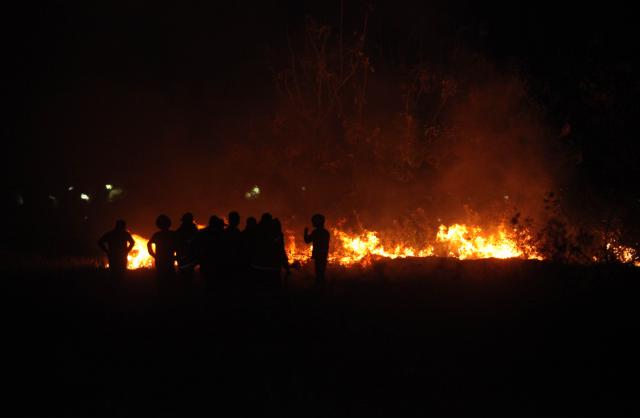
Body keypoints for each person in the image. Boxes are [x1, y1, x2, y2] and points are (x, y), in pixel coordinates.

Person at [147, 214, 176, 279]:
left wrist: (153, 255)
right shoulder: (172, 234)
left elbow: (149, 244)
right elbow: (178, 245)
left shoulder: (157, 235)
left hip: (160, 259)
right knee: (170, 277)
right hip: (169, 258)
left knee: (161, 277)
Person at [304, 214, 330, 283]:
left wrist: (305, 232)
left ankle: (320, 288)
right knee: (321, 273)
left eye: (314, 221)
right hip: (324, 255)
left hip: (318, 255)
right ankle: (321, 287)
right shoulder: (326, 232)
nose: (312, 223)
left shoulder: (316, 232)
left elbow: (307, 241)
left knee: (319, 273)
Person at [175, 212, 199, 280]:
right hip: (189, 255)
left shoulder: (180, 231)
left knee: (185, 275)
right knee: (189, 274)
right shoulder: (194, 230)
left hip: (183, 255)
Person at [222, 211, 244, 280]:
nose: (238, 221)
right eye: (237, 219)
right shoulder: (237, 233)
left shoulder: (225, 232)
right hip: (233, 263)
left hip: (226, 263)